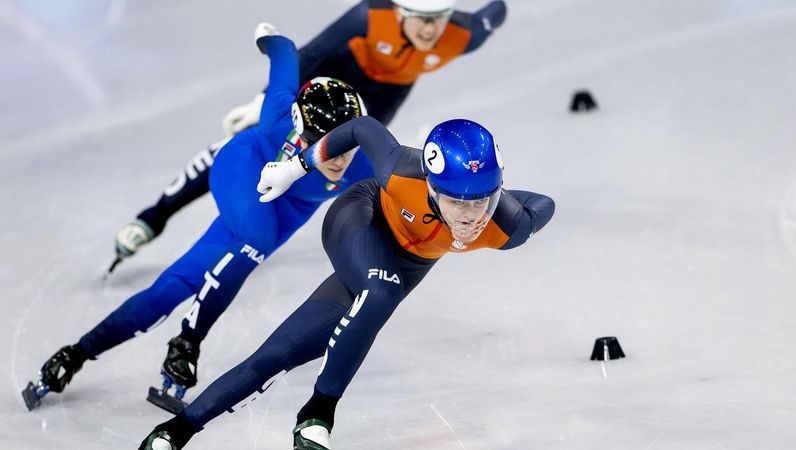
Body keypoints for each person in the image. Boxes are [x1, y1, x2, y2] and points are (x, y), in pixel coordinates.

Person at [138, 116, 555, 449]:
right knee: (382, 289)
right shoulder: (400, 170)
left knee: (280, 353)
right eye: (457, 201)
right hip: (361, 218)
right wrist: (297, 166)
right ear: (430, 186)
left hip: (401, 268)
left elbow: (544, 205)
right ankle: (319, 413)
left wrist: (512, 210)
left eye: (483, 198)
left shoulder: (504, 226)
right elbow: (362, 128)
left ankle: (176, 431)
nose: (471, 215)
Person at [21, 25, 373, 412]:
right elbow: (286, 56)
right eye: (324, 146)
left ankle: (74, 354)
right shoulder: (276, 122)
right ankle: (188, 342)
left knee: (169, 291)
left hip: (284, 211)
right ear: (302, 132)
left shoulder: (365, 163)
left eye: (345, 146)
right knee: (256, 237)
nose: (338, 159)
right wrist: (269, 38)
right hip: (245, 169)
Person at [112, 0, 508, 272]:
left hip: (382, 97)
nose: (430, 29)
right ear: (396, 10)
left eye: (439, 18)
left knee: (344, 166)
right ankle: (154, 217)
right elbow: (311, 54)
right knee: (254, 141)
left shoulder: (465, 32)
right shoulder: (367, 18)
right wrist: (261, 102)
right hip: (333, 75)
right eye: (419, 18)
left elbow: (497, 10)